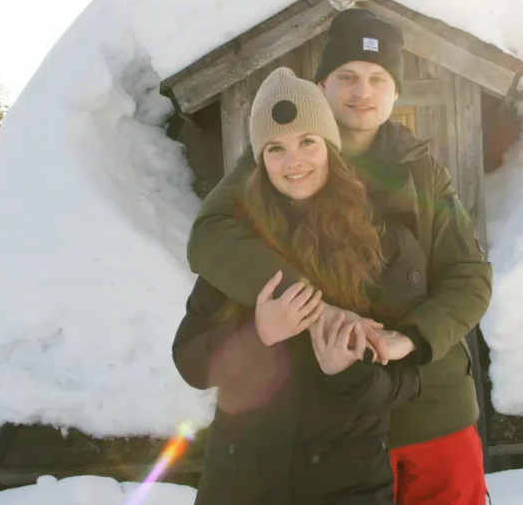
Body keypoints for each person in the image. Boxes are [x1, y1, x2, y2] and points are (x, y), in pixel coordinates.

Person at [186, 8, 492, 504]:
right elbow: (210, 235)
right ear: (321, 85)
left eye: (378, 79)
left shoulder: (422, 171)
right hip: (334, 419)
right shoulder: (281, 158)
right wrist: (314, 308)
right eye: (346, 76)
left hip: (429, 404)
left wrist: (410, 337)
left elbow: (469, 275)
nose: (361, 91)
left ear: (396, 93)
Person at [173, 67, 431, 504]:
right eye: (276, 148)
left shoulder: (382, 238)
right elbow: (191, 362)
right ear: (259, 160)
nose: (293, 162)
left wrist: (350, 373)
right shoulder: (239, 241)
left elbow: (410, 381)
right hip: (241, 485)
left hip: (347, 486)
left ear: (330, 147)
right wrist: (259, 336)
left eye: (307, 142)